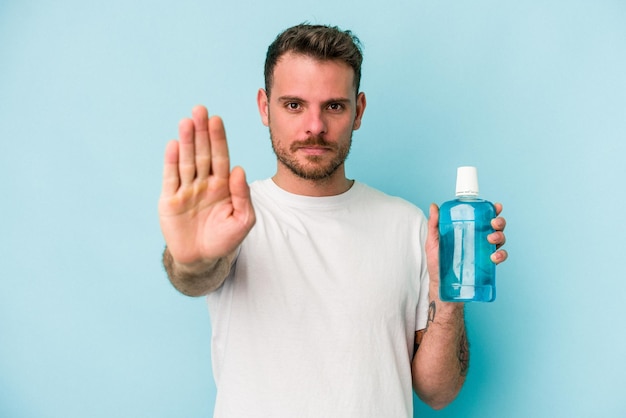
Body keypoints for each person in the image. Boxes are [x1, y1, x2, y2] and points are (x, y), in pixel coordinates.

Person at [158, 23, 508, 418]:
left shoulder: (408, 226)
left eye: (334, 106)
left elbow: (437, 393)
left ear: (357, 111)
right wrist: (192, 258)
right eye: (294, 105)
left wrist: (449, 302)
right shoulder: (235, 216)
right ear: (264, 107)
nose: (315, 126)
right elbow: (195, 276)